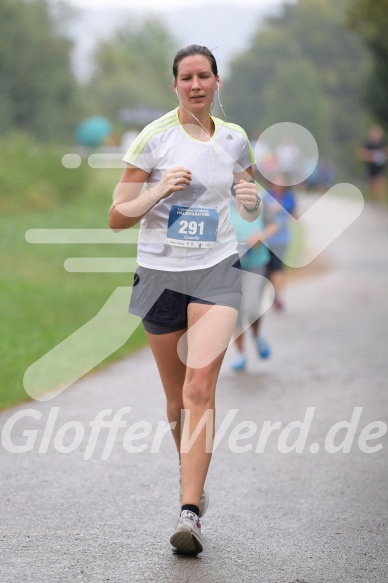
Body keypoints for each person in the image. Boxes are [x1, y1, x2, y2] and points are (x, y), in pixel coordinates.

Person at [108, 45, 262, 555]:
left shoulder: (236, 138)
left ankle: (189, 513)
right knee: (177, 402)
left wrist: (250, 200)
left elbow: (247, 187)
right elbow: (117, 215)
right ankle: (192, 482)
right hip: (159, 276)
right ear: (174, 86)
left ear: (218, 82)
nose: (195, 84)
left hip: (216, 270)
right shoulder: (153, 138)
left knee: (200, 387)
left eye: (204, 76)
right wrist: (156, 193)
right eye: (186, 78)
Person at [229, 196, 279, 371]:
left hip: (256, 263)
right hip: (229, 265)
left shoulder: (257, 200)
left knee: (252, 308)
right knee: (234, 311)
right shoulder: (218, 201)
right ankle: (240, 354)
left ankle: (257, 336)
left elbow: (274, 225)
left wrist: (261, 235)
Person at [264, 175, 297, 310]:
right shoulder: (265, 196)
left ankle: (277, 296)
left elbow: (295, 214)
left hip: (281, 239)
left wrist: (281, 209)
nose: (279, 185)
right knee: (268, 269)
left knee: (278, 269)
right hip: (266, 239)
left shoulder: (289, 198)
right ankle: (271, 294)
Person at [357, 124, 387, 203]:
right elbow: (361, 154)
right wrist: (371, 156)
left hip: (380, 169)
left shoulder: (382, 144)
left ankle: (379, 201)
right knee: (372, 186)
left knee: (380, 183)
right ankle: (373, 200)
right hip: (370, 169)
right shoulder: (368, 144)